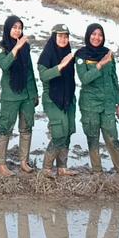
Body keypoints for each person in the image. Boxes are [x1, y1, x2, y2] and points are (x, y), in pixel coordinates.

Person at [76, 23, 119, 174]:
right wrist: (99, 65)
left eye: (100, 35)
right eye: (94, 34)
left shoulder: (109, 54)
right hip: (90, 105)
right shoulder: (81, 55)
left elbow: (113, 79)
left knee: (112, 138)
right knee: (93, 139)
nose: (97, 37)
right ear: (88, 35)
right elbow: (84, 79)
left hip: (108, 104)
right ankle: (97, 172)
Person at [0, 15, 39, 176]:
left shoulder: (26, 47)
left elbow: (30, 71)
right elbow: (4, 65)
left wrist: (34, 93)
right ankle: (1, 165)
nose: (17, 30)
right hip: (10, 96)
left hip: (26, 95)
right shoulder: (2, 47)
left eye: (20, 28)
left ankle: (23, 162)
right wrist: (16, 48)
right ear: (8, 29)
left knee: (26, 128)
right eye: (14, 27)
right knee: (6, 128)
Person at [37, 23, 78, 177]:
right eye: (60, 36)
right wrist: (61, 66)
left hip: (68, 98)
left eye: (66, 36)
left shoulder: (68, 53)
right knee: (59, 133)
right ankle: (46, 168)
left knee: (67, 132)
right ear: (54, 36)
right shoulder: (47, 54)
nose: (63, 39)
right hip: (52, 98)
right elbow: (43, 76)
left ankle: (62, 168)